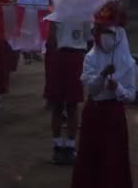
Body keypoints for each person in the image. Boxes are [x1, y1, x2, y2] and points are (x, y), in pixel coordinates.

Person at [71, 0, 137, 188]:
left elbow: (131, 96)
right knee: (90, 156)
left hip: (114, 114)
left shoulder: (128, 63)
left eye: (108, 32)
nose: (103, 37)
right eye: (100, 32)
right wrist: (102, 76)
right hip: (94, 111)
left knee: (113, 159)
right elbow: (91, 89)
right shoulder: (90, 58)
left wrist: (116, 87)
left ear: (119, 34)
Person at [45, 18, 92, 165]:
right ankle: (65, 146)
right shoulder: (80, 13)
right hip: (73, 57)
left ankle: (61, 146)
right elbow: (89, 39)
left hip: (64, 57)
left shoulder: (59, 14)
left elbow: (51, 40)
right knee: (68, 105)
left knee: (62, 105)